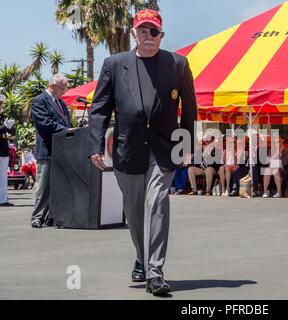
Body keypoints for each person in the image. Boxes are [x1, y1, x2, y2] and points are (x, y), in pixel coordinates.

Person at [88, 9, 196, 296]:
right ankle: (140, 256)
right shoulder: (114, 64)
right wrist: (95, 145)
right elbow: (99, 108)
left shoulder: (179, 64)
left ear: (162, 35)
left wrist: (186, 147)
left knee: (158, 202)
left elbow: (189, 111)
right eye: (144, 31)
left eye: (155, 31)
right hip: (128, 150)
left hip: (163, 149)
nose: (149, 36)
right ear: (133, 34)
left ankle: (156, 271)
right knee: (134, 212)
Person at [30, 75, 72, 227]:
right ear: (53, 86)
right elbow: (44, 123)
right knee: (44, 186)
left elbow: (66, 122)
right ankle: (37, 217)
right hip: (47, 149)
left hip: (62, 150)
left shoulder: (61, 103)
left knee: (58, 186)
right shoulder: (39, 100)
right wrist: (67, 130)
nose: (64, 92)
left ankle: (53, 216)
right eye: (62, 89)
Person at [0, 94, 15, 207]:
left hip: (3, 150)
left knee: (3, 177)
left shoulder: (3, 117)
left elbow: (11, 133)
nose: (2, 106)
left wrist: (10, 129)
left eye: (1, 104)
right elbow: (3, 129)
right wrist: (5, 128)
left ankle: (3, 199)